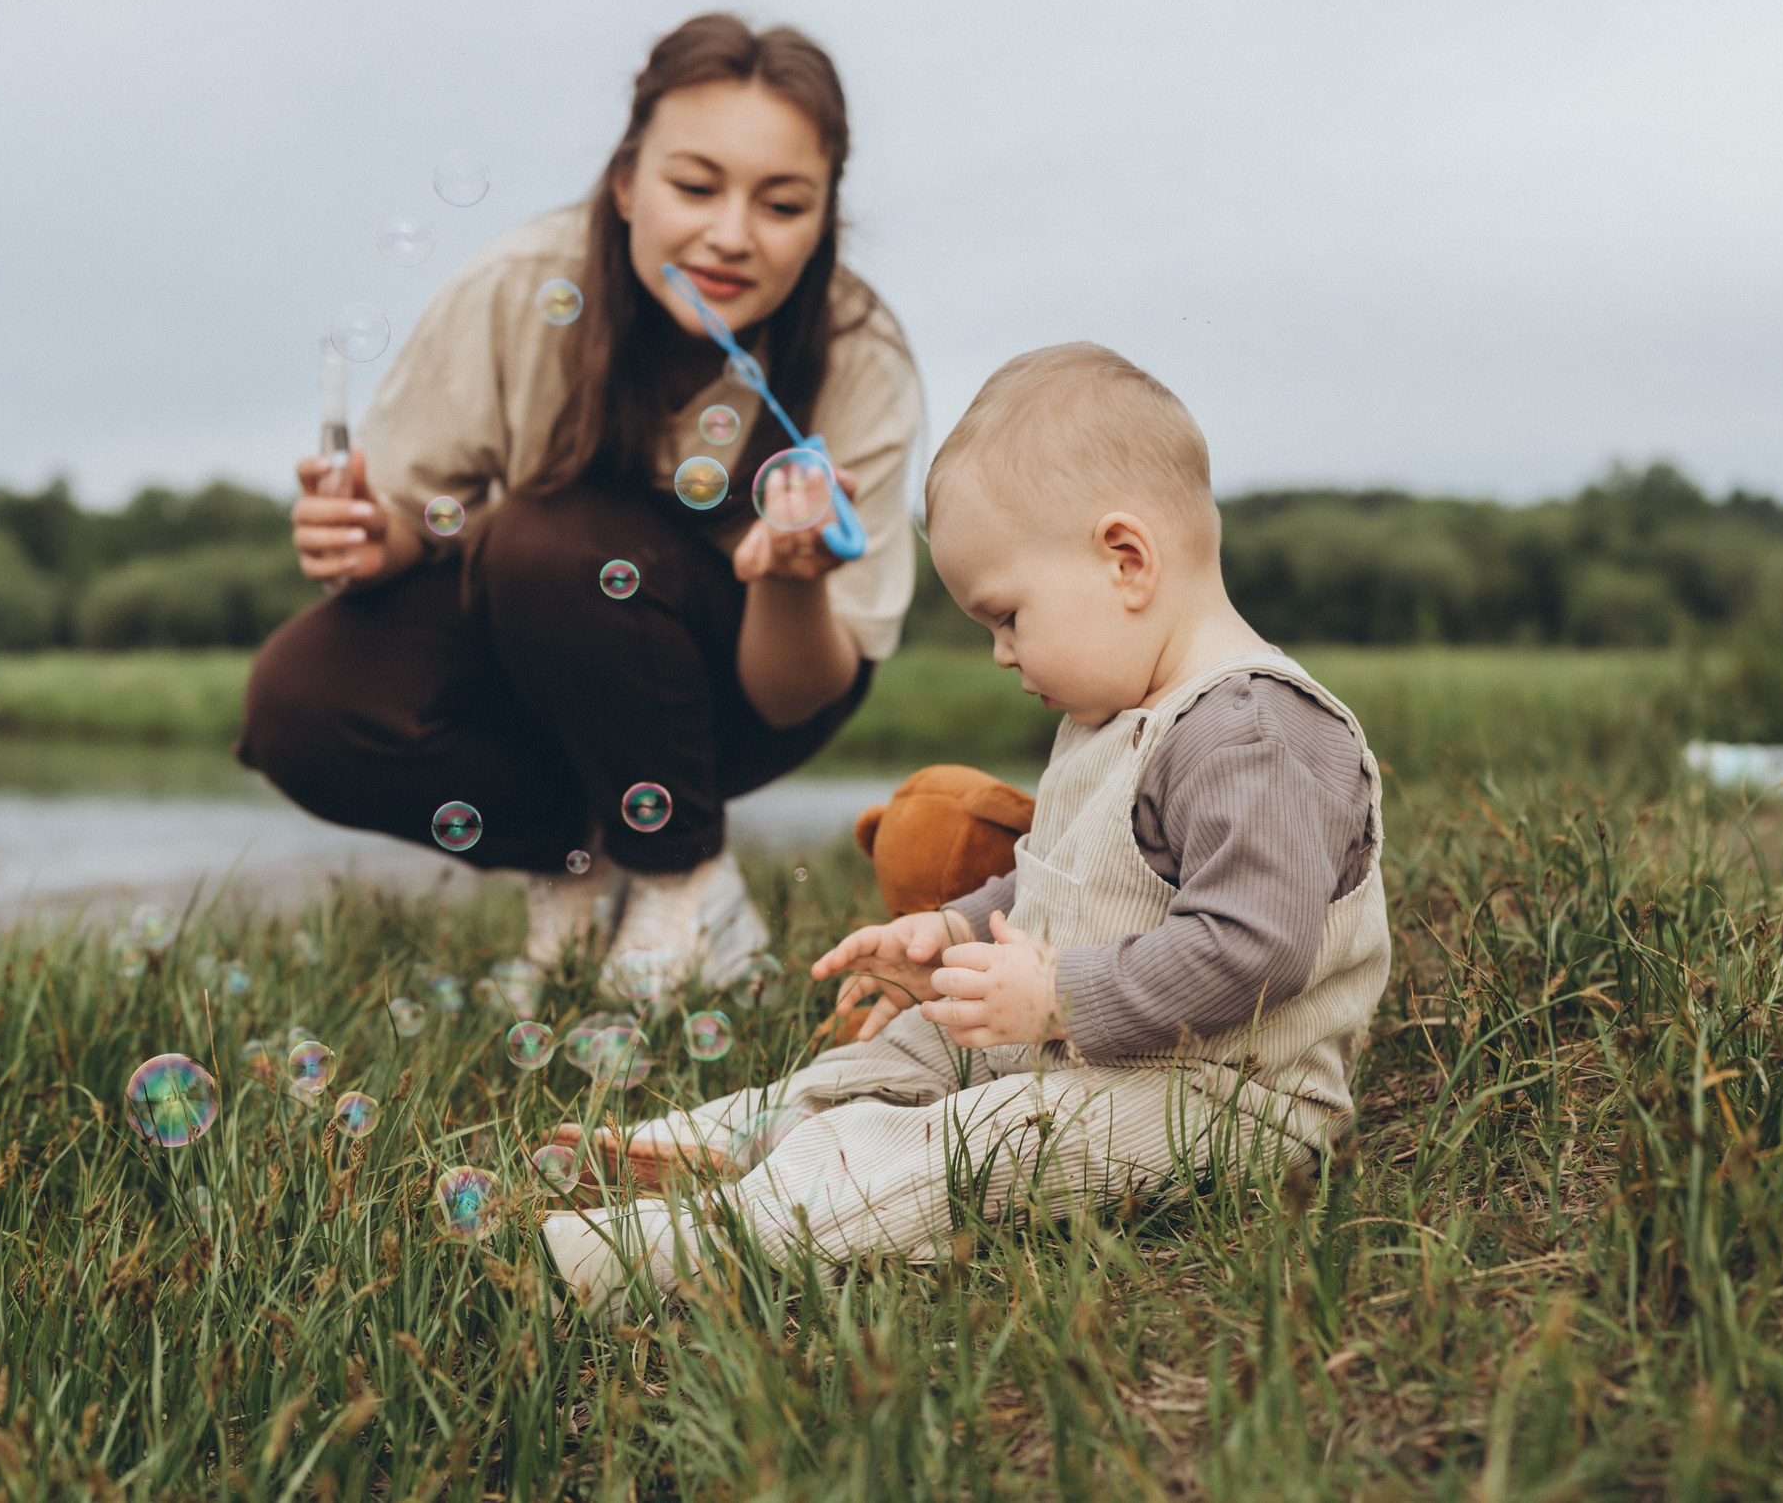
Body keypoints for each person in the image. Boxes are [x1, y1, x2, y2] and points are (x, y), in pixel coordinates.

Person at [540, 344, 1392, 1307]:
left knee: (986, 1138)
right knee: (920, 1046)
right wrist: (951, 933)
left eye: (1007, 617)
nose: (997, 654)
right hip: (1092, 1038)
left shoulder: (1252, 731)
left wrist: (1062, 997)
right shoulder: (1112, 715)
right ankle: (741, 1137)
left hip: (1227, 1097)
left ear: (1127, 561)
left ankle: (709, 1242)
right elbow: (1063, 875)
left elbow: (1256, 948)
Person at [237, 15, 922, 976]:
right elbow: (413, 515)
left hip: (744, 692)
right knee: (301, 702)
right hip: (546, 651)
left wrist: (793, 578)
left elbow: (795, 694)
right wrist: (362, 537)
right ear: (625, 181)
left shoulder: (859, 358)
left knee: (553, 542)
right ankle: (581, 866)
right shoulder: (524, 287)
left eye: (782, 204)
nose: (729, 235)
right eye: (694, 186)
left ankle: (689, 887)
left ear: (826, 217)